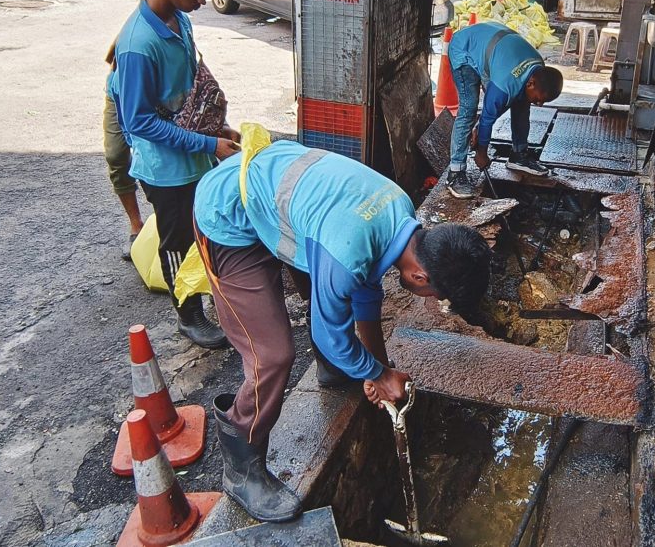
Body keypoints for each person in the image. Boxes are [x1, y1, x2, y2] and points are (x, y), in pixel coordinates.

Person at [192, 140, 492, 522]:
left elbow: (367, 289)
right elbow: (327, 332)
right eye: (437, 295)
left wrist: (378, 368)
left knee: (333, 303)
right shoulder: (348, 250)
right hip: (227, 216)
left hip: (284, 196)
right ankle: (241, 468)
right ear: (421, 275)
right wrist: (378, 374)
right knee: (272, 355)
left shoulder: (400, 212)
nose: (432, 300)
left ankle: (334, 369)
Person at [108, 0, 238, 350]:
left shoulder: (178, 20)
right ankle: (188, 315)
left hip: (193, 153)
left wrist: (217, 128)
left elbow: (189, 86)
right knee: (176, 239)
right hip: (164, 168)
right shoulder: (137, 46)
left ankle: (206, 294)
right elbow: (139, 122)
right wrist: (206, 144)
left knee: (204, 227)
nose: (202, 0)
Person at [444, 22, 564, 199]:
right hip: (465, 48)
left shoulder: (537, 67)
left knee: (522, 104)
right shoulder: (504, 85)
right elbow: (488, 116)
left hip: (493, 47)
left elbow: (496, 109)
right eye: (539, 99)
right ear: (531, 83)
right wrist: (482, 153)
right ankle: (455, 173)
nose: (539, 104)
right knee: (468, 109)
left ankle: (518, 155)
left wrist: (480, 130)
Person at [103, 50, 144, 261]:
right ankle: (136, 225)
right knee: (116, 155)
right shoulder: (135, 30)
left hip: (148, 94)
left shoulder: (178, 23)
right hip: (119, 92)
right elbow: (112, 59)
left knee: (151, 157)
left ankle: (163, 225)